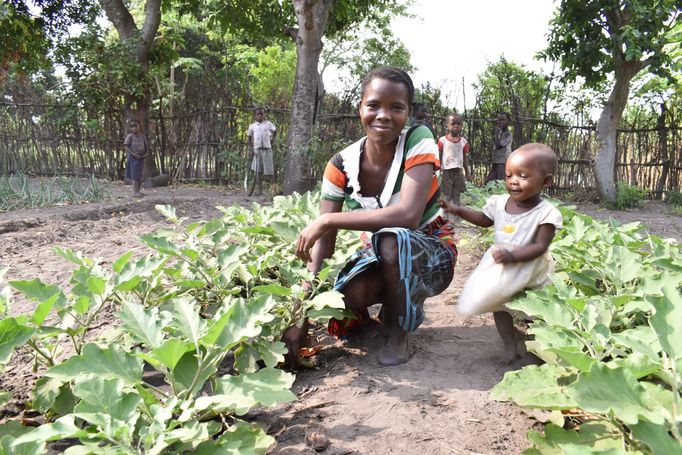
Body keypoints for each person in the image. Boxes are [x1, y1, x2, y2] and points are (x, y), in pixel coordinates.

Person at [293, 67, 457, 367]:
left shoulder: (417, 139)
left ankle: (398, 329)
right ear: (360, 108)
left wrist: (328, 220)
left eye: (396, 107)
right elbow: (323, 248)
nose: (383, 115)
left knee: (393, 239)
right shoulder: (341, 165)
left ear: (408, 113)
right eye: (373, 105)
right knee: (347, 294)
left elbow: (408, 215)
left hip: (432, 254)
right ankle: (380, 315)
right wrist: (301, 310)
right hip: (382, 256)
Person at [440, 143, 562, 363]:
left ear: (546, 181)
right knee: (499, 305)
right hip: (504, 264)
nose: (513, 181)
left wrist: (514, 256)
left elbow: (540, 247)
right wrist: (458, 210)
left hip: (531, 267)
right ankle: (509, 346)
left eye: (523, 176)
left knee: (535, 310)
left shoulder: (547, 213)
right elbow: (484, 220)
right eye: (509, 175)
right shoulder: (500, 203)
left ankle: (537, 347)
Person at [438, 113, 470, 211]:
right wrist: (438, 168)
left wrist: (468, 173)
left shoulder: (463, 142)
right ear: (447, 125)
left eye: (459, 124)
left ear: (462, 125)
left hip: (458, 172)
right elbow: (439, 156)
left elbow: (465, 158)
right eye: (453, 124)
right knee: (447, 194)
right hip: (447, 172)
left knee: (457, 194)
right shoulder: (442, 141)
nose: (456, 126)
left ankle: (457, 213)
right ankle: (444, 214)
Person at [247, 108, 277, 196]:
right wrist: (251, 148)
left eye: (261, 114)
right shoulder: (252, 126)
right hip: (257, 150)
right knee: (258, 171)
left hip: (267, 150)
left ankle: (273, 190)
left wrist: (272, 141)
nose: (260, 116)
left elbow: (275, 131)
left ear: (264, 115)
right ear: (254, 116)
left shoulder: (268, 124)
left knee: (270, 171)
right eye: (258, 114)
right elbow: (249, 137)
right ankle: (259, 190)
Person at [485, 112, 512, 184]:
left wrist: (496, 134)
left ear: (508, 121)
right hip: (496, 162)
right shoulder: (500, 133)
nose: (500, 122)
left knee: (501, 183)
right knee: (488, 183)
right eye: (499, 120)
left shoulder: (508, 134)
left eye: (503, 120)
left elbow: (499, 146)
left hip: (503, 163)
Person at [124, 120, 148, 198]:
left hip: (141, 158)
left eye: (136, 126)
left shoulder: (142, 136)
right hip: (134, 158)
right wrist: (134, 154)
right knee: (134, 175)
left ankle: (138, 190)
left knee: (139, 175)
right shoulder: (130, 136)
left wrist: (145, 154)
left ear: (139, 126)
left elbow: (146, 146)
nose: (134, 128)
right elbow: (126, 146)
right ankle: (135, 192)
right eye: (132, 127)